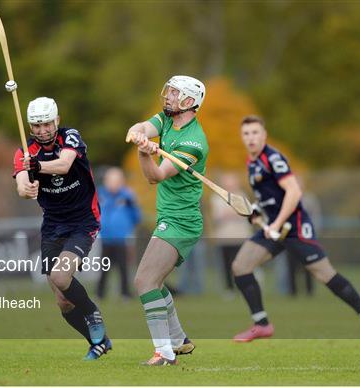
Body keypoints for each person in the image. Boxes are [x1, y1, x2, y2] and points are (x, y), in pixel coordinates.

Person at [231, 115, 360, 345]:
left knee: (325, 274)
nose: (251, 138)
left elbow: (293, 192)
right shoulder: (251, 163)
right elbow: (270, 196)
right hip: (273, 227)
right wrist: (257, 213)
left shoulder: (273, 158)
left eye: (255, 133)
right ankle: (262, 324)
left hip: (294, 227)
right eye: (246, 134)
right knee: (240, 266)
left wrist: (276, 223)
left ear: (264, 135)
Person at [13, 97, 111, 360]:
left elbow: (65, 164)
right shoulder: (25, 150)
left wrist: (38, 167)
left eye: (46, 124)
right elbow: (22, 184)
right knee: (62, 300)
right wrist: (27, 189)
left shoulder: (70, 136)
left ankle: (92, 313)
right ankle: (98, 342)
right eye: (36, 125)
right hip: (53, 225)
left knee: (60, 276)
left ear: (56, 120)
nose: (42, 130)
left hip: (83, 220)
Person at [126, 75, 207, 366]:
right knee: (155, 282)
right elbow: (142, 127)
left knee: (144, 281)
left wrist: (144, 153)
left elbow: (155, 177)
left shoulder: (194, 142)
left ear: (189, 102)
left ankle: (164, 353)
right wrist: (138, 134)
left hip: (181, 221)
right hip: (170, 217)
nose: (167, 97)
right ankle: (178, 339)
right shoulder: (166, 120)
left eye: (174, 93)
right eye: (169, 92)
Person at [96, 167, 141, 300]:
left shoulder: (127, 196)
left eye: (116, 181)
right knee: (104, 268)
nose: (113, 184)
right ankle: (100, 293)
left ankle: (125, 293)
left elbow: (137, 216)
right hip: (105, 238)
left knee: (123, 267)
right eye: (110, 181)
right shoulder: (100, 194)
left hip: (122, 238)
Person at [211, 172, 253, 299]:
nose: (229, 184)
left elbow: (246, 214)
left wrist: (230, 213)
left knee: (242, 264)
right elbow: (217, 216)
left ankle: (243, 287)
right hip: (224, 237)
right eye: (227, 181)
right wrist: (234, 213)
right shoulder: (216, 197)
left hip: (241, 237)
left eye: (232, 180)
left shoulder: (243, 196)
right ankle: (229, 289)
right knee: (226, 265)